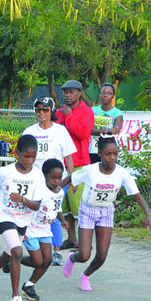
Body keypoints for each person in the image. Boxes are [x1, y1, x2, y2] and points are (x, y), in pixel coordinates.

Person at [62, 135, 151, 290]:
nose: (112, 158)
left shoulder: (122, 173)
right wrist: (54, 189)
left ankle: (85, 275)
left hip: (106, 211)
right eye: (108, 154)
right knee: (84, 255)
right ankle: (73, 258)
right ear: (99, 154)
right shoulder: (90, 170)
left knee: (101, 256)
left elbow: (137, 196)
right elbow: (71, 178)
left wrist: (149, 216)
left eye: (115, 154)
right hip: (88, 211)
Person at [0, 134, 44, 301]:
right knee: (17, 251)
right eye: (26, 156)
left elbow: (37, 205)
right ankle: (15, 297)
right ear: (17, 153)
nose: (30, 160)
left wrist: (23, 199)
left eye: (33, 156)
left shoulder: (38, 176)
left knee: (9, 254)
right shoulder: (5, 172)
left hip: (23, 219)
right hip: (5, 216)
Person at [23, 97, 77, 263]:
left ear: (51, 111)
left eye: (45, 109)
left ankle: (56, 250)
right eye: (38, 109)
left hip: (55, 181)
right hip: (35, 180)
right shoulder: (29, 131)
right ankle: (33, 243)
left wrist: (72, 178)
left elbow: (68, 156)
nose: (41, 113)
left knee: (53, 213)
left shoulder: (60, 131)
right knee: (34, 212)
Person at [20, 159, 69, 300]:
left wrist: (63, 220)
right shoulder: (39, 191)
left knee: (47, 260)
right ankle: (13, 260)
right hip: (31, 230)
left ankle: (29, 285)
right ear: (44, 176)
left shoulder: (59, 192)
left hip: (45, 230)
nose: (57, 181)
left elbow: (57, 208)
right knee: (37, 261)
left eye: (59, 178)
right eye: (53, 178)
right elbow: (27, 208)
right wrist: (22, 230)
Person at [55, 80, 95, 251]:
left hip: (78, 165)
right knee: (65, 208)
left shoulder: (86, 112)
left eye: (71, 92)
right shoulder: (59, 112)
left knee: (79, 207)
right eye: (65, 92)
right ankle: (72, 239)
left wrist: (69, 115)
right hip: (59, 165)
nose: (67, 95)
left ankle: (85, 244)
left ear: (79, 93)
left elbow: (82, 132)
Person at [90, 84, 124, 163]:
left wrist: (97, 131)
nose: (105, 95)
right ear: (100, 95)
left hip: (109, 150)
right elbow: (89, 130)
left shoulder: (117, 113)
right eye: (103, 93)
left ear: (113, 96)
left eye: (109, 93)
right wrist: (106, 131)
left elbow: (115, 131)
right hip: (93, 150)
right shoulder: (93, 110)